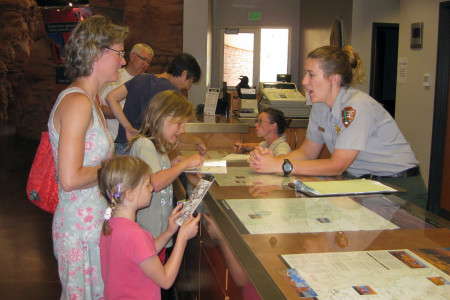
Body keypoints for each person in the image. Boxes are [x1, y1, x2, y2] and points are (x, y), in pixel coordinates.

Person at [249, 45, 427, 209]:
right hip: (364, 184)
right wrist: (271, 162)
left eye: (311, 74)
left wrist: (281, 166)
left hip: (397, 188)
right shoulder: (320, 107)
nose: (304, 81)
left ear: (333, 78)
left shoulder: (356, 106)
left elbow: (338, 165)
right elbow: (307, 152)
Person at [47, 15, 128, 299]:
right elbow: (69, 179)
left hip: (93, 223)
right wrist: (114, 166)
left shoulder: (89, 101)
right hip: (79, 229)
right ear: (97, 52)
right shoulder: (77, 102)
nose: (123, 61)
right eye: (119, 53)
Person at [98, 156, 200, 299]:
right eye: (147, 185)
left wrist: (170, 231)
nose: (151, 189)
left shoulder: (110, 224)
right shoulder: (135, 235)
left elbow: (143, 254)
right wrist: (182, 238)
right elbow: (165, 280)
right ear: (130, 195)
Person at [127, 90, 204, 263]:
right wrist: (184, 164)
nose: (182, 130)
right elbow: (155, 181)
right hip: (147, 233)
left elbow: (154, 171)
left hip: (158, 233)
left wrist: (172, 164)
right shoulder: (144, 144)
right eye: (179, 124)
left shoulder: (157, 146)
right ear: (162, 117)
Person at [105, 53, 207, 155]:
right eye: (189, 82)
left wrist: (127, 126)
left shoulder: (142, 78)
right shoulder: (172, 94)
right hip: (144, 152)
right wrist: (197, 141)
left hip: (122, 147)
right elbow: (173, 131)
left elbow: (110, 98)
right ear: (184, 74)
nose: (187, 87)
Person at [99, 43, 154, 140]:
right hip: (114, 139)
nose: (145, 64)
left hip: (136, 140)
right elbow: (99, 108)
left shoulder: (147, 81)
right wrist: (125, 113)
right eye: (143, 59)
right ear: (133, 56)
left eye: (148, 62)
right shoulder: (114, 76)